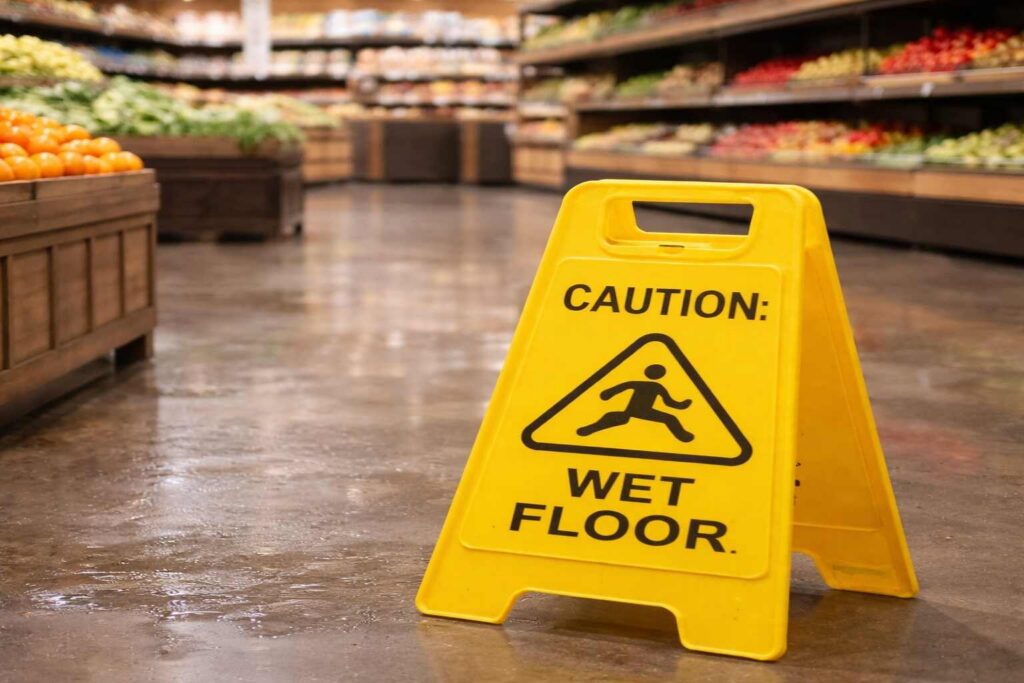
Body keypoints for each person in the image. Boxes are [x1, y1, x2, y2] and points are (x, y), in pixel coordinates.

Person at [576, 364, 694, 442]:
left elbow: (623, 386)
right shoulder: (657, 386)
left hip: (632, 410)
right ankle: (683, 436)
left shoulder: (644, 384)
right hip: (644, 412)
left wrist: (608, 394)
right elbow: (669, 402)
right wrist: (682, 405)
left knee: (615, 417)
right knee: (670, 418)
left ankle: (591, 428)